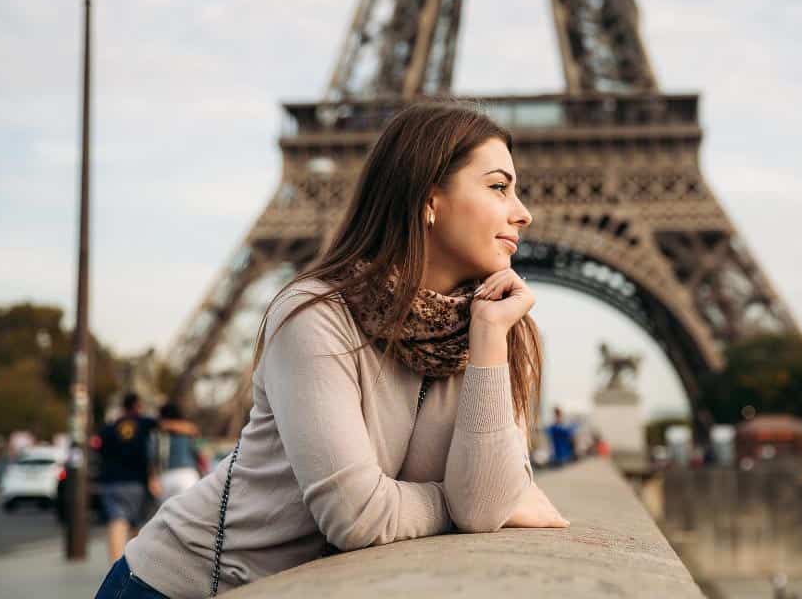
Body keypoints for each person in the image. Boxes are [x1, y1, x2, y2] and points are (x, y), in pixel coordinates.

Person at [95, 102, 568, 598]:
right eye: (499, 187)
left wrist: (489, 339)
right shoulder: (313, 314)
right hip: (177, 587)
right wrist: (458, 501)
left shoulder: (497, 325)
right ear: (431, 199)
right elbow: (358, 517)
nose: (524, 212)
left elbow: (485, 506)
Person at [98, 393, 199, 564]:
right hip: (136, 482)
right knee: (137, 525)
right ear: (138, 406)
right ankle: (135, 565)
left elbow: (99, 449)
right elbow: (175, 428)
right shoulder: (144, 423)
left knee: (117, 521)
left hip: (112, 481)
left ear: (123, 407)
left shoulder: (110, 427)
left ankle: (114, 566)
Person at [156, 402, 207, 501]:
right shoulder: (191, 430)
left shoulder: (158, 432)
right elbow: (202, 453)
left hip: (166, 476)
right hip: (188, 476)